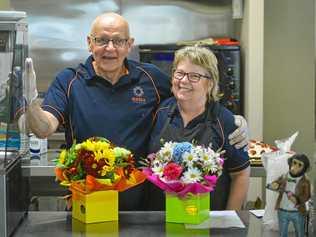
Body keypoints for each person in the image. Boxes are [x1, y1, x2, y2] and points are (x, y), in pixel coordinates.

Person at [23, 12, 249, 210]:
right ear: (89, 43)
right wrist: (31, 99)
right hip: (88, 204)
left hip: (141, 210)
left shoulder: (150, 78)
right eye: (102, 40)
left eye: (118, 41)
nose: (110, 48)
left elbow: (190, 98)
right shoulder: (69, 80)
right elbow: (44, 128)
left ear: (129, 45)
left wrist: (235, 120)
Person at [148, 45, 250, 210]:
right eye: (179, 73)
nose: (184, 80)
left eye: (194, 76)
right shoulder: (160, 111)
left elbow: (241, 174)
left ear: (209, 83)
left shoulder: (225, 121)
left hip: (207, 220)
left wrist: (230, 219)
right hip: (160, 218)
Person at [266, 154, 311, 237]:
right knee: (282, 233)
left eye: (299, 165)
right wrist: (274, 185)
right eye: (294, 163)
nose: (295, 167)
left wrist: (296, 199)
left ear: (304, 168)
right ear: (290, 163)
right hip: (283, 210)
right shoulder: (284, 176)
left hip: (297, 211)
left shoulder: (305, 181)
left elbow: (307, 196)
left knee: (300, 232)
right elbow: (276, 184)